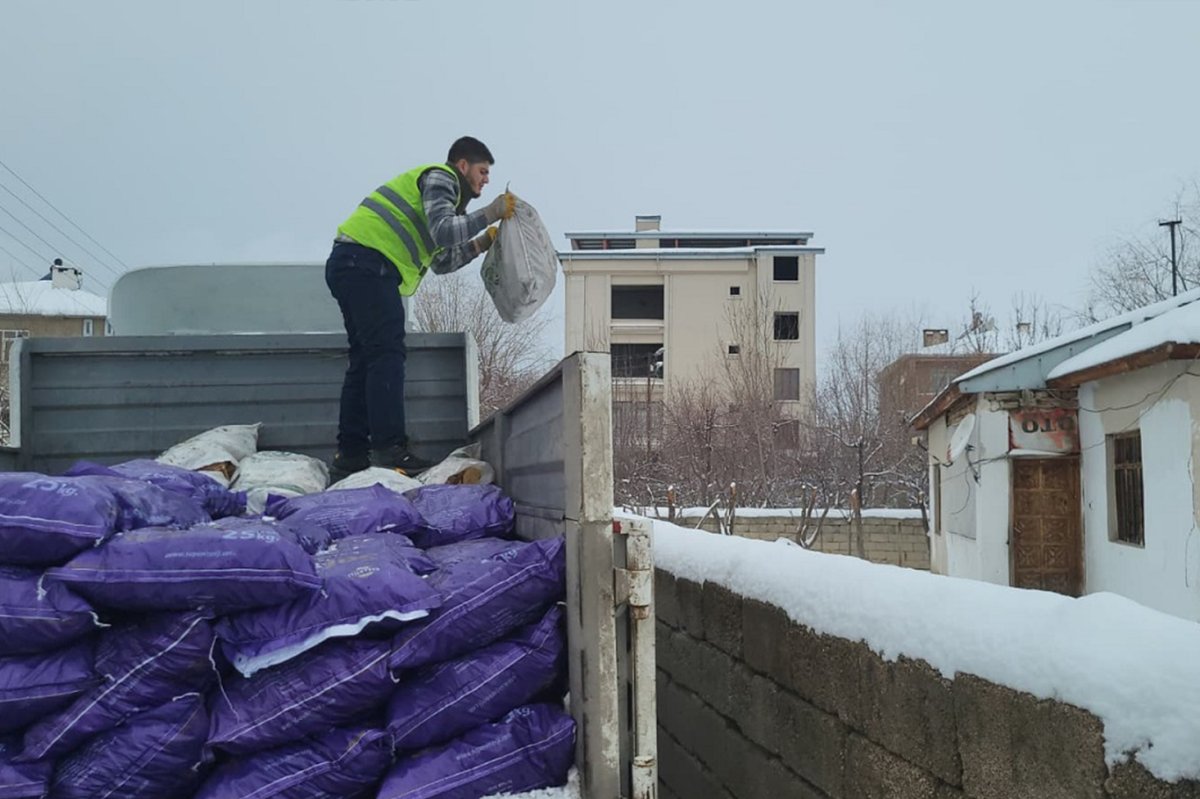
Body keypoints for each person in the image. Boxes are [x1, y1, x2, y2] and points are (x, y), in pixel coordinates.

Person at [325, 136, 516, 480]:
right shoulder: (441, 178)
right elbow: (444, 233)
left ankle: (351, 455)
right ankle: (389, 449)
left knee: (365, 360)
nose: (486, 180)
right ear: (462, 166)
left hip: (351, 263)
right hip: (368, 263)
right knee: (386, 354)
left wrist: (483, 241)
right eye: (483, 171)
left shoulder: (444, 204)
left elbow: (443, 260)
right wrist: (491, 213)